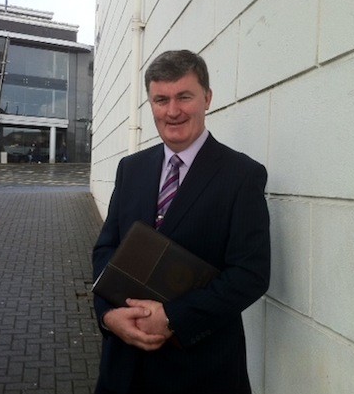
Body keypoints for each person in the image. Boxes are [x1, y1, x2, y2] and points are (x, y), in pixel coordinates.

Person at [92, 50, 270, 394]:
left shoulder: (242, 176)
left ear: (207, 98)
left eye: (184, 97)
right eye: (161, 99)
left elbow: (251, 275)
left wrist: (174, 318)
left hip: (200, 372)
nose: (172, 111)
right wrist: (108, 316)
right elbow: (105, 249)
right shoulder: (131, 169)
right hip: (123, 369)